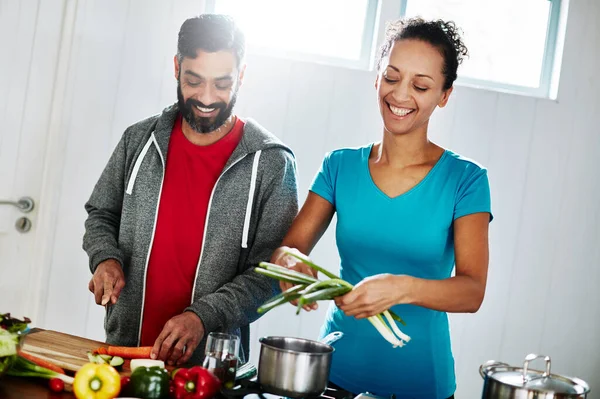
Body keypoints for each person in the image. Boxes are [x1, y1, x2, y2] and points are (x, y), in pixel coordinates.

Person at [271, 18, 492, 399]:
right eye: (391, 77)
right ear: (377, 78)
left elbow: (471, 291)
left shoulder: (465, 179)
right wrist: (289, 263)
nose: (400, 94)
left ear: (444, 95)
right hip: (331, 375)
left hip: (421, 384)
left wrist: (401, 288)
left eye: (421, 85)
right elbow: (288, 249)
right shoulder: (339, 166)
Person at [83, 14, 298, 366]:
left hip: (210, 368)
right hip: (125, 350)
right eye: (194, 81)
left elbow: (270, 275)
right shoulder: (139, 140)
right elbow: (101, 214)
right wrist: (105, 258)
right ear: (176, 67)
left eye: (222, 83)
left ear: (242, 75)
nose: (207, 98)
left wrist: (202, 317)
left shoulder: (273, 163)